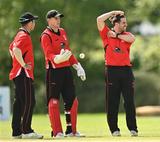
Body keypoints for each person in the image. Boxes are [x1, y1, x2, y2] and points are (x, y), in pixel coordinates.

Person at [40, 10, 86, 138]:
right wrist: (57, 58)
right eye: (55, 18)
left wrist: (77, 66)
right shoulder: (46, 35)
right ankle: (57, 132)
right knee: (54, 102)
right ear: (49, 20)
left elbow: (68, 52)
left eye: (59, 18)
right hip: (54, 71)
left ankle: (72, 131)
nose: (58, 21)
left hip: (66, 70)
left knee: (72, 101)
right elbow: (49, 54)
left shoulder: (63, 32)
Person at [97, 10, 138, 136]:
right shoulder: (106, 34)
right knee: (113, 101)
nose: (125, 24)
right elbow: (99, 20)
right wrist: (112, 13)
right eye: (123, 23)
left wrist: (116, 35)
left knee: (129, 101)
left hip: (126, 71)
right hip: (111, 71)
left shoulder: (126, 35)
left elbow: (132, 38)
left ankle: (133, 129)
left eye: (126, 22)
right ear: (116, 23)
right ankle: (114, 129)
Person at [9, 12, 43, 139]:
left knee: (19, 103)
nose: (34, 23)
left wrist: (17, 62)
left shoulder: (19, 34)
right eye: (33, 21)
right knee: (30, 101)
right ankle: (26, 130)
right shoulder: (24, 36)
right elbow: (16, 50)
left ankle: (16, 132)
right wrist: (22, 64)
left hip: (18, 74)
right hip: (23, 74)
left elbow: (11, 49)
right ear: (29, 23)